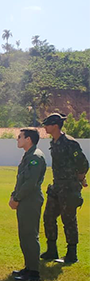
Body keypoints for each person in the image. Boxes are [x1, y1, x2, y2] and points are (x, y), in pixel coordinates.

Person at [41, 113, 89, 263]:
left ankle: (71, 254)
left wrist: (80, 179)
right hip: (57, 186)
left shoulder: (70, 143)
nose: (45, 127)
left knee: (68, 219)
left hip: (69, 187)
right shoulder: (54, 142)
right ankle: (52, 250)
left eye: (47, 124)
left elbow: (83, 163)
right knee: (48, 216)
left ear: (55, 125)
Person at [10, 128, 47, 281]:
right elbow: (21, 180)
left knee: (30, 236)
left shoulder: (35, 157)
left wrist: (17, 198)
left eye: (20, 137)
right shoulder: (28, 155)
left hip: (30, 200)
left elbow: (30, 183)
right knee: (24, 235)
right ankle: (29, 267)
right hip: (25, 199)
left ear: (29, 139)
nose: (17, 139)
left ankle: (34, 273)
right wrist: (14, 195)